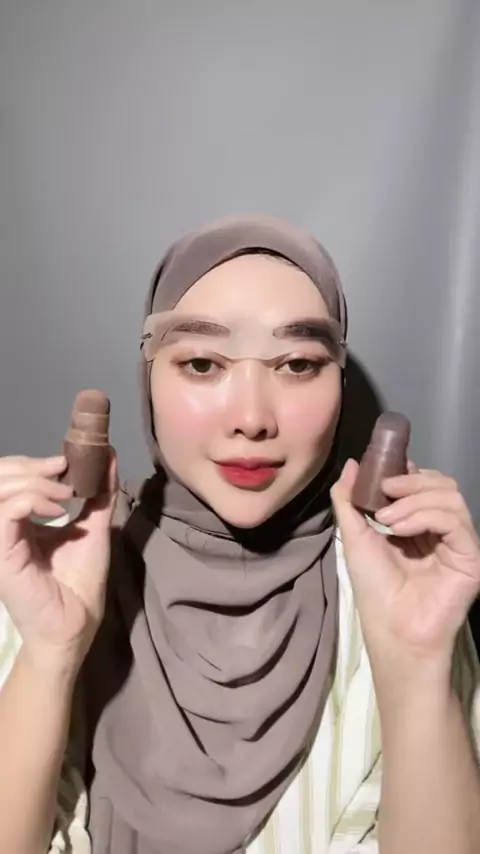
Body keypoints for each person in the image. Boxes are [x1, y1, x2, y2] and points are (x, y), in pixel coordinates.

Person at [0, 215, 479, 854]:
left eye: (299, 364)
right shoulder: (45, 576)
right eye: (202, 363)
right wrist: (50, 653)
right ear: (149, 378)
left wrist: (416, 664)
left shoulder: (404, 588)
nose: (252, 418)